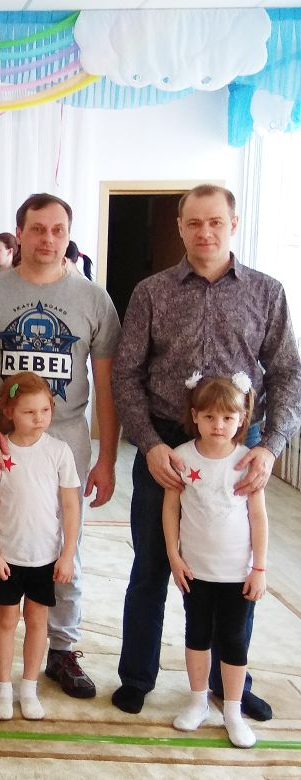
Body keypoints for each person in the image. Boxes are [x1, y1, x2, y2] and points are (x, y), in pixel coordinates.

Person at [112, 184, 301, 719]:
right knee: (152, 565)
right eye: (194, 222)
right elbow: (126, 374)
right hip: (166, 448)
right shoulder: (151, 292)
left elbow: (287, 373)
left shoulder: (267, 292)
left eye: (215, 221)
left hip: (240, 452)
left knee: (233, 571)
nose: (205, 232)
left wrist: (271, 447)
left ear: (233, 224)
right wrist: (149, 444)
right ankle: (137, 676)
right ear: (180, 227)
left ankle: (228, 684)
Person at [0, 193, 121, 700]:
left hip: (64, 444)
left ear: (69, 235)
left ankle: (62, 648)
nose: (48, 239)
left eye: (58, 230)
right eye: (38, 229)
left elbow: (107, 387)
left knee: (65, 545)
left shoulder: (94, 300)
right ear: (19, 232)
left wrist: (107, 458)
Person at [163, 374, 268, 749]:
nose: (218, 425)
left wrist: (259, 568)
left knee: (234, 640)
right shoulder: (182, 457)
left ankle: (233, 711)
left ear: (241, 419)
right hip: (195, 570)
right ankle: (197, 702)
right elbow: (171, 508)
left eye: (227, 418)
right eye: (209, 417)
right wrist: (174, 555)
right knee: (196, 635)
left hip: (237, 574)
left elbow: (258, 517)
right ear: (195, 416)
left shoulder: (246, 461)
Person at [0, 372, 80, 721]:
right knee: (6, 620)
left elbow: (71, 506)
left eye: (44, 411)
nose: (39, 418)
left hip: (45, 557)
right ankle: (3, 688)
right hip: (7, 556)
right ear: (8, 411)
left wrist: (67, 554)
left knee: (38, 621)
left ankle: (29, 688)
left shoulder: (59, 452)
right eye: (29, 412)